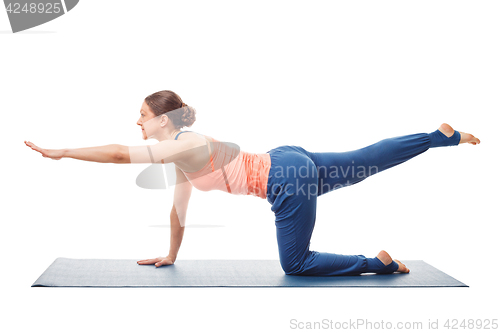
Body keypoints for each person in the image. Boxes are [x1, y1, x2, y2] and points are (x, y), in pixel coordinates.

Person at [24, 90, 481, 276]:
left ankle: (376, 263)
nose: (136, 122)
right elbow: (178, 210)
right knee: (365, 160)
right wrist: (171, 254)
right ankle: (439, 139)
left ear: (162, 119)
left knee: (296, 264)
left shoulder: (183, 144)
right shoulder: (183, 151)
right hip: (284, 160)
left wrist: (62, 152)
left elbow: (121, 155)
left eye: (142, 116)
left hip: (284, 179)